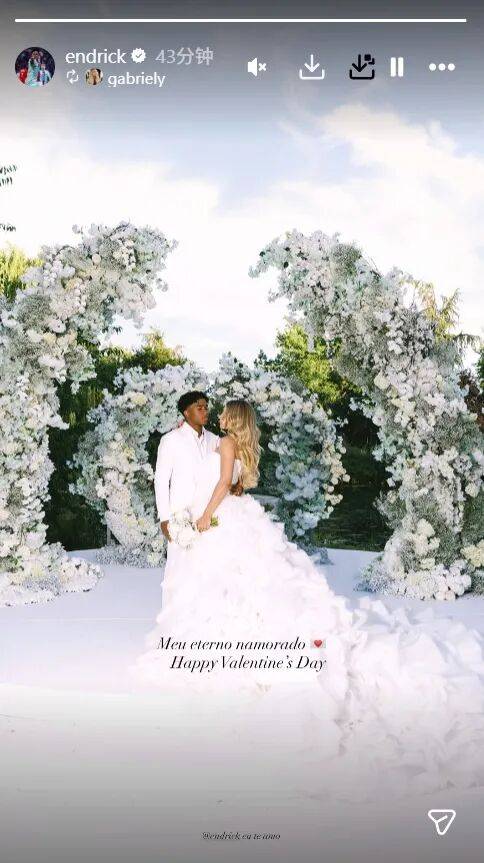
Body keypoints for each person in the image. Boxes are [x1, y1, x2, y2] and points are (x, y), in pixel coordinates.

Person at [133, 398, 484, 800]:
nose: (217, 414)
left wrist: (202, 516)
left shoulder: (224, 442)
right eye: (209, 409)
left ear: (234, 419)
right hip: (236, 513)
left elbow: (221, 484)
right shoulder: (225, 442)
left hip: (221, 516)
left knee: (231, 581)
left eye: (224, 411)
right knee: (241, 580)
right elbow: (231, 482)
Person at [153, 391, 241, 599]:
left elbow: (226, 472)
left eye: (206, 407)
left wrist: (237, 484)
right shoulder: (170, 440)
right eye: (199, 408)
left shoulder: (215, 440)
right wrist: (164, 518)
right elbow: (161, 481)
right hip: (181, 518)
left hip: (208, 518)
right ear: (186, 412)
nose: (205, 411)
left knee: (206, 575)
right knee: (178, 574)